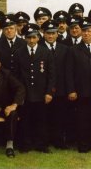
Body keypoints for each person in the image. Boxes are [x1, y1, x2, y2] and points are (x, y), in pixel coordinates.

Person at [14, 23, 55, 153]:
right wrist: (19, 94)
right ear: (24, 38)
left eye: (34, 37)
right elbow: (16, 75)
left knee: (42, 119)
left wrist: (49, 92)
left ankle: (42, 144)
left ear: (38, 37)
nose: (31, 40)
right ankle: (26, 144)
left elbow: (51, 75)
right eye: (28, 37)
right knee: (25, 119)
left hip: (41, 93)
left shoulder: (45, 52)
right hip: (25, 93)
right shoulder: (19, 53)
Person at [40, 20, 69, 149]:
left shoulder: (65, 49)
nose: (50, 36)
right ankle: (45, 141)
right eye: (48, 33)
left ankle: (58, 141)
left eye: (53, 33)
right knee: (44, 116)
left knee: (59, 116)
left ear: (57, 33)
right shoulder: (39, 48)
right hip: (44, 90)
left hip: (61, 89)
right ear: (43, 34)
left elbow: (68, 70)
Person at [66, 17, 91, 153]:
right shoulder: (74, 50)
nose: (86, 33)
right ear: (81, 32)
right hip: (82, 91)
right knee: (83, 120)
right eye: (84, 31)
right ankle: (84, 145)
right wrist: (71, 90)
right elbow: (69, 72)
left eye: (89, 31)